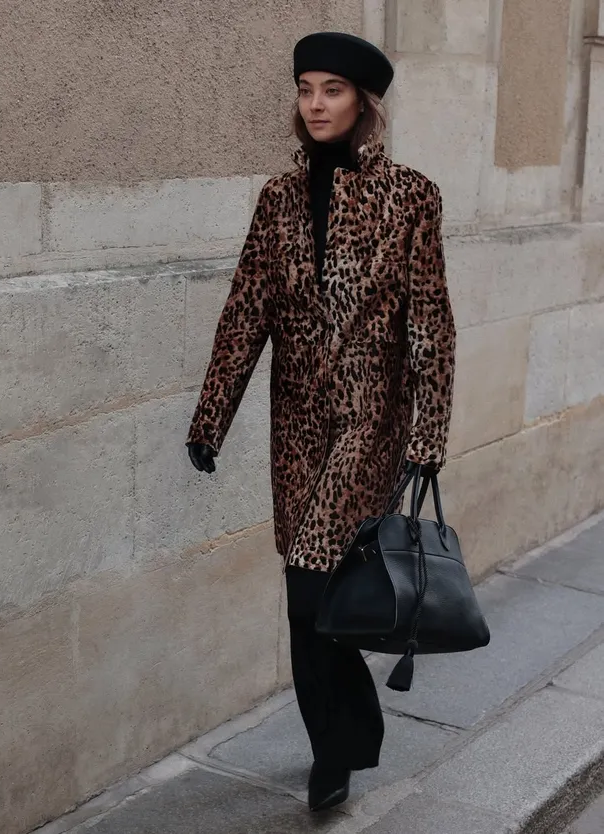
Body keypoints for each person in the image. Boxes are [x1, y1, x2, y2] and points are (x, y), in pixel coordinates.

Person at [186, 31, 456, 812]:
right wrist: (210, 419)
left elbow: (430, 322)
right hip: (297, 426)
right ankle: (336, 742)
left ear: (364, 103)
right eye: (306, 88)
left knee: (312, 586)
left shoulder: (411, 195)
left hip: (370, 425)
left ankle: (342, 744)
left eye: (332, 89)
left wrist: (428, 433)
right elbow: (246, 313)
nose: (315, 103)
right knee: (307, 596)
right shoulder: (277, 198)